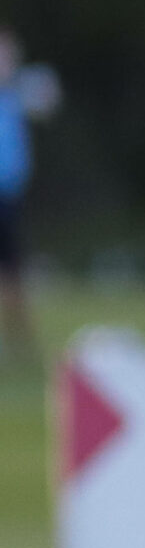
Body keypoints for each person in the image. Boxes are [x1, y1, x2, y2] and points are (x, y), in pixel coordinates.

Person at [0, 32, 46, 362]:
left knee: (14, 269)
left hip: (10, 196)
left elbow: (48, 100)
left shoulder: (16, 97)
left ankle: (19, 342)